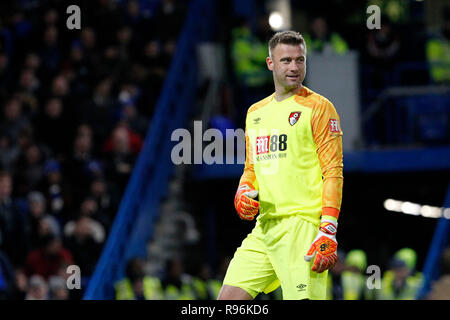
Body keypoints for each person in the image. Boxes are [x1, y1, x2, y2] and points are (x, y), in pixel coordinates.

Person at [218, 31, 344, 300]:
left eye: (300, 60)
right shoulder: (255, 113)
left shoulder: (320, 108)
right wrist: (242, 192)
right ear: (270, 63)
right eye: (286, 60)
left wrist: (328, 229)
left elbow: (333, 172)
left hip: (303, 227)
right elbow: (252, 169)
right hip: (265, 228)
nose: (294, 67)